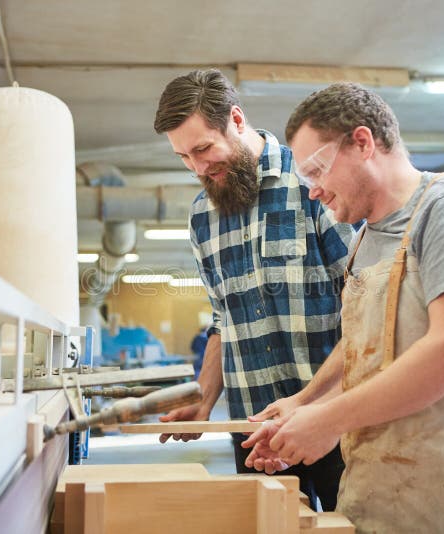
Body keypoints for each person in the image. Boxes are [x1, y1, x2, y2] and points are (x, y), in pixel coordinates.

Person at [241, 83, 444, 533]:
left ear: (363, 143)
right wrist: (305, 407)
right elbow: (366, 348)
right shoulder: (364, 240)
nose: (313, 191)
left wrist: (326, 419)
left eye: (317, 171)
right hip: (382, 490)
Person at [153, 69, 359, 511]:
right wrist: (203, 398)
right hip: (254, 433)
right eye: (184, 157)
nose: (198, 168)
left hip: (335, 422)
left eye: (203, 149)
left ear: (236, 119)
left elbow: (367, 306)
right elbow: (222, 319)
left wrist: (322, 408)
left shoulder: (311, 184)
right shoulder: (201, 216)